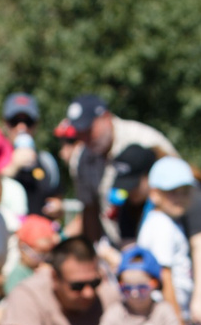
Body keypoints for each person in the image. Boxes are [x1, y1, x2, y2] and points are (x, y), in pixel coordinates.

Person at [57, 93, 178, 247]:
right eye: (79, 134)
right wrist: (95, 252)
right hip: (117, 246)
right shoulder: (81, 159)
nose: (84, 139)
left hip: (160, 243)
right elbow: (89, 209)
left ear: (106, 118)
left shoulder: (144, 140)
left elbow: (180, 191)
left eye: (88, 130)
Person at [138, 156, 201, 325]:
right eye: (172, 191)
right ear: (154, 194)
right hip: (167, 315)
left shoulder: (169, 222)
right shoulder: (161, 226)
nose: (180, 197)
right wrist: (177, 324)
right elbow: (165, 277)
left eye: (185, 191)